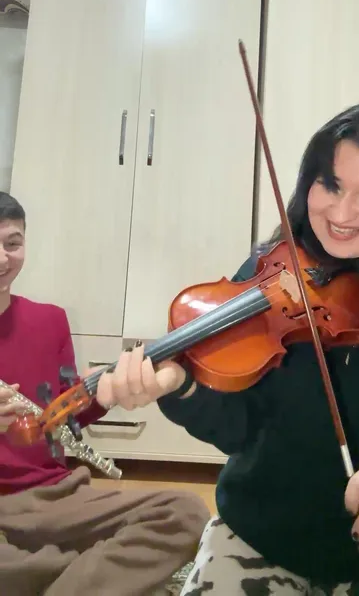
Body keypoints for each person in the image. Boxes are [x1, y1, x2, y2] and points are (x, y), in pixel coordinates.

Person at [96, 102, 359, 595]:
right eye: (330, 184)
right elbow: (239, 430)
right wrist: (183, 386)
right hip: (263, 530)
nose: (342, 213)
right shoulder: (273, 271)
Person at [0, 191, 210, 596]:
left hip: (55, 498)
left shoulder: (50, 320)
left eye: (13, 243)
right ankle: (77, 570)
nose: (2, 258)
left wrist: (103, 394)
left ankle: (46, 570)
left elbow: (68, 419)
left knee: (184, 515)